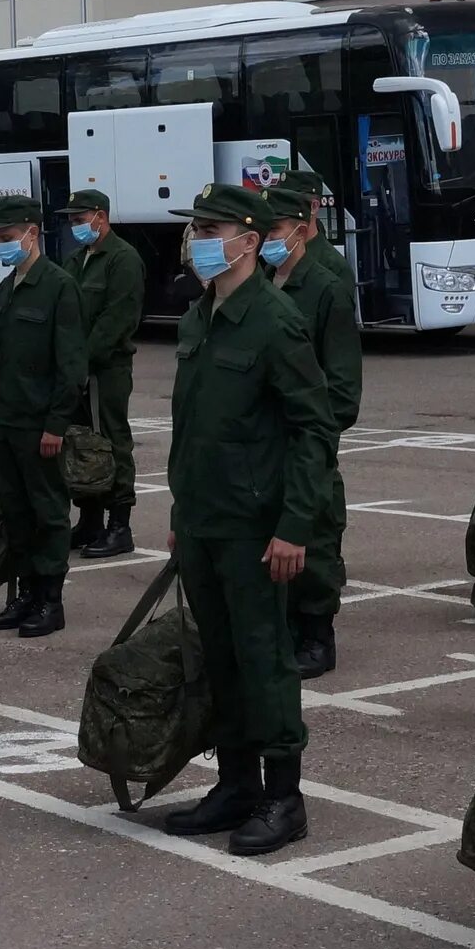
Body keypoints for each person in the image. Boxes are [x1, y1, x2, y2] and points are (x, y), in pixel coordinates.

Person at [155, 183, 336, 856]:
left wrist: (294, 525)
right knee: (222, 661)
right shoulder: (203, 315)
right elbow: (193, 429)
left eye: (212, 228)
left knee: (265, 660)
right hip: (205, 520)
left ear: (249, 242)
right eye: (196, 226)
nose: (199, 238)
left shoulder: (275, 320)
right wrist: (182, 510)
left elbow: (313, 432)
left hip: (257, 526)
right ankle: (236, 784)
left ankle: (283, 796)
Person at [0, 194, 88, 638]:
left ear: (30, 232)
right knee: (16, 515)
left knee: (48, 514)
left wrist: (56, 423)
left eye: (5, 236)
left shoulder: (59, 286)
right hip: (4, 424)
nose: (1, 245)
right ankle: (23, 595)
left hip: (39, 425)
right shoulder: (6, 288)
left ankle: (49, 600)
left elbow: (72, 363)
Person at [264, 175, 357, 677]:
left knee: (315, 531)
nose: (266, 240)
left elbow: (342, 388)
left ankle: (318, 634)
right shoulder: (262, 281)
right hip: (266, 440)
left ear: (302, 228)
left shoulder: (326, 285)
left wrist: (316, 430)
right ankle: (286, 625)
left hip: (308, 435)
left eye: (275, 229)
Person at [65, 188, 143, 560]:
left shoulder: (122, 259)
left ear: (101, 216)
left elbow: (116, 321)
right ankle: (90, 520)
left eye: (80, 220)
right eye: (72, 221)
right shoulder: (77, 259)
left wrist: (82, 363)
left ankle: (119, 524)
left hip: (107, 371)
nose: (75, 226)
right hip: (78, 371)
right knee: (82, 445)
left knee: (112, 441)